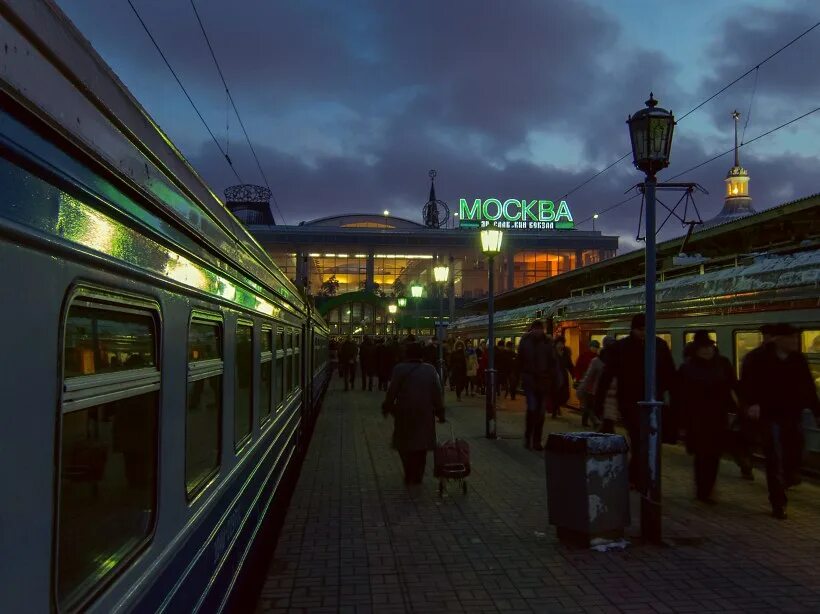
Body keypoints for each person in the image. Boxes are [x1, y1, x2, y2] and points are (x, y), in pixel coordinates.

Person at [739, 323, 819, 519]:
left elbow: (808, 386)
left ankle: (788, 477)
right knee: (774, 457)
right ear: (777, 340)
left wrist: (817, 412)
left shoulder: (798, 359)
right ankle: (778, 502)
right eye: (790, 338)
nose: (795, 341)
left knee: (795, 453)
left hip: (792, 414)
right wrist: (752, 404)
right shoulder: (757, 359)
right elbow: (746, 384)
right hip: (769, 415)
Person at [594, 314, 676, 489]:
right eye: (640, 329)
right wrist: (599, 402)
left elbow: (670, 374)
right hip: (630, 402)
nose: (644, 333)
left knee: (647, 441)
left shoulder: (660, 346)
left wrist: (674, 400)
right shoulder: (622, 347)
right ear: (633, 329)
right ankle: (638, 478)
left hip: (654, 401)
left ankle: (637, 476)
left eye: (647, 329)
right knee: (639, 439)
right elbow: (607, 375)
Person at [675, 331, 737, 503]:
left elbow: (733, 386)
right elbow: (680, 395)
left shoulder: (723, 364)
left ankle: (708, 487)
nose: (707, 350)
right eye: (703, 348)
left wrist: (736, 409)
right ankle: (703, 489)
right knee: (702, 454)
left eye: (709, 347)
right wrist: (681, 420)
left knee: (714, 454)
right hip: (697, 418)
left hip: (718, 416)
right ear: (696, 349)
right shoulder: (687, 368)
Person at [382, 342, 445, 485]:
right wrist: (440, 412)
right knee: (421, 446)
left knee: (404, 444)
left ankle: (408, 472)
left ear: (406, 354)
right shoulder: (430, 370)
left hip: (404, 412)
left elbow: (392, 391)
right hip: (425, 413)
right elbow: (437, 393)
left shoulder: (399, 369)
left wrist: (387, 407)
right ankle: (418, 475)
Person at [518, 320, 561, 450]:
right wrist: (521, 376)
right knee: (532, 410)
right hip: (530, 381)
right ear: (533, 329)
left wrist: (555, 380)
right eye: (536, 329)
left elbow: (553, 363)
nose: (538, 331)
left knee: (540, 412)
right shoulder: (525, 342)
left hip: (543, 382)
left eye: (540, 329)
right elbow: (520, 361)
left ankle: (536, 440)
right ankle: (528, 438)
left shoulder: (548, 343)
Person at [577, 338, 607, 429]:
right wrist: (578, 378)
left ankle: (588, 421)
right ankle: (590, 421)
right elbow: (579, 367)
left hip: (592, 384)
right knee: (588, 404)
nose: (595, 349)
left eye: (596, 347)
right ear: (590, 347)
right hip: (587, 382)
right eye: (594, 347)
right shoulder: (585, 356)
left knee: (589, 405)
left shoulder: (597, 358)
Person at [553, 336, 573, 418]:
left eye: (562, 344)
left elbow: (570, 365)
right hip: (554, 377)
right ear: (556, 344)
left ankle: (557, 406)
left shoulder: (565, 354)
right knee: (555, 394)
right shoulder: (552, 354)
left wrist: (573, 374)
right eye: (559, 344)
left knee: (565, 394)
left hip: (563, 376)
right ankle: (555, 409)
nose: (561, 346)